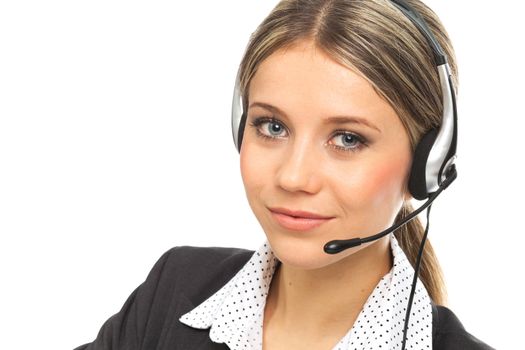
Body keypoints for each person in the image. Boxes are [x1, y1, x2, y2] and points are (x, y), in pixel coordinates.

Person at [75, 0, 493, 349]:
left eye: (347, 139)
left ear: (429, 160)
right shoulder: (171, 293)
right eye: (272, 127)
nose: (293, 178)